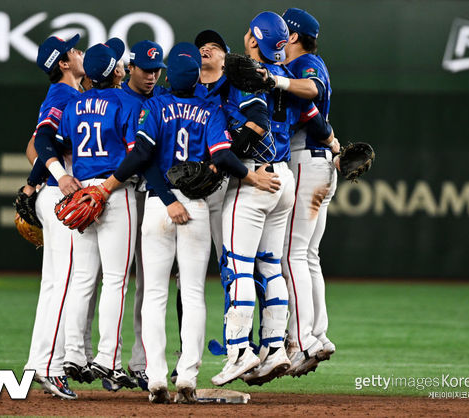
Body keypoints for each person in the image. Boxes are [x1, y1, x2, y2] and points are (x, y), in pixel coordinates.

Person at [91, 42, 280, 403]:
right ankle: (188, 377)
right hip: (193, 207)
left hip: (158, 209)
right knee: (193, 293)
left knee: (154, 296)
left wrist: (160, 197)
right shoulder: (209, 109)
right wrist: (250, 177)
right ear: (196, 79)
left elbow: (143, 157)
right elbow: (223, 155)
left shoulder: (154, 106)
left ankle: (157, 378)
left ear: (166, 78)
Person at [211, 11, 338, 387]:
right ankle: (275, 347)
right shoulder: (288, 78)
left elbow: (256, 121)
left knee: (239, 265)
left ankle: (239, 351)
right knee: (270, 264)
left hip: (255, 174)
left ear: (252, 38)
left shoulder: (248, 76)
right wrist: (333, 143)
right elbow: (314, 118)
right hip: (283, 175)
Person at [57, 38, 139, 390]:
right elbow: (137, 154)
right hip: (115, 191)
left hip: (82, 190)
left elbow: (63, 144)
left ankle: (74, 353)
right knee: (116, 281)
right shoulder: (125, 101)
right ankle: (108, 357)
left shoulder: (75, 104)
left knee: (83, 279)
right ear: (113, 71)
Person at [23, 34, 85, 400]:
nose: (79, 53)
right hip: (61, 196)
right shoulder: (63, 95)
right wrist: (57, 174)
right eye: (75, 50)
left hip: (53, 193)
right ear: (63, 63)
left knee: (55, 285)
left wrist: (32, 186)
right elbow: (41, 141)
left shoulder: (71, 96)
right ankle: (49, 366)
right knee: (63, 284)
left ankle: (38, 363)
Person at [278, 8, 338, 377]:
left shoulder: (306, 63)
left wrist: (276, 82)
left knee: (292, 255)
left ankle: (302, 341)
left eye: (285, 31)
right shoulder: (308, 61)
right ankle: (319, 334)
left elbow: (311, 90)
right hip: (320, 163)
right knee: (308, 255)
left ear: (295, 37)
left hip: (306, 162)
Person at [122, 40, 168, 390]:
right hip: (122, 193)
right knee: (109, 281)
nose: (151, 75)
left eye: (156, 70)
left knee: (147, 284)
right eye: (145, 69)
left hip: (149, 196)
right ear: (130, 67)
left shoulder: (161, 101)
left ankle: (140, 362)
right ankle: (97, 358)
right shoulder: (118, 99)